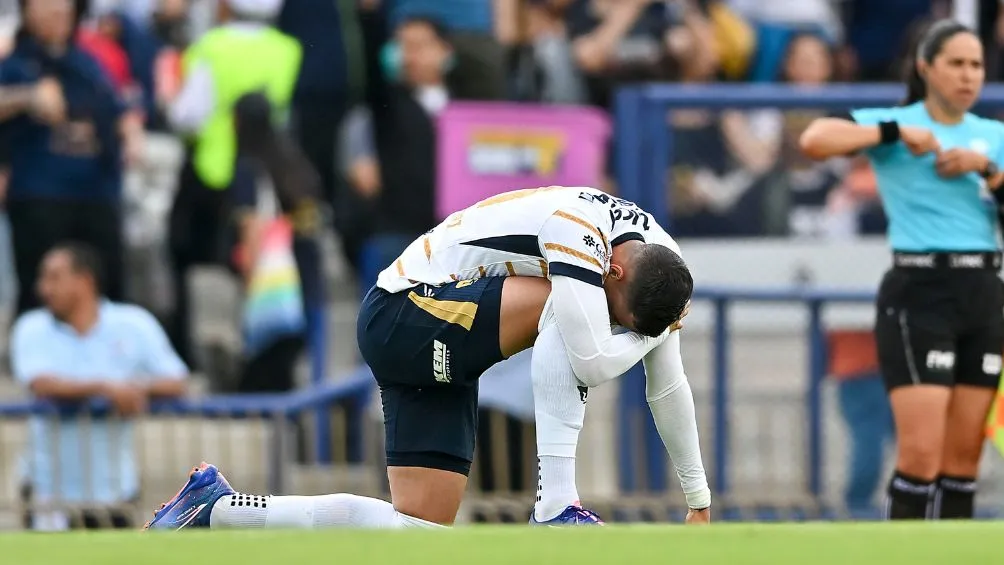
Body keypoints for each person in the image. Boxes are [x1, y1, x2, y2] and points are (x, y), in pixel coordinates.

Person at [143, 185, 711, 529]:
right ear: (614, 271)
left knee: (418, 528)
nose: (620, 329)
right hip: (403, 312)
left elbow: (668, 386)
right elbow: (589, 358)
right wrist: (641, 337)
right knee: (562, 308)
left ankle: (214, 506)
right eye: (620, 316)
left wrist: (698, 500)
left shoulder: (661, 262)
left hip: (445, 329)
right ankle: (557, 507)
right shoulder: (579, 234)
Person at [800, 19, 1004, 520]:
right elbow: (815, 138)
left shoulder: (994, 137)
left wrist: (986, 172)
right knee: (920, 455)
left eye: (976, 64)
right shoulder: (898, 126)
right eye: (955, 63)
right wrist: (893, 130)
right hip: (920, 291)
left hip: (982, 291)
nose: (968, 75)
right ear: (925, 67)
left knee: (963, 461)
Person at [10, 242, 188, 531]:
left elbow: (176, 379)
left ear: (85, 280)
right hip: (47, 492)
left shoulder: (134, 323)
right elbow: (41, 383)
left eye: (54, 277)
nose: (44, 288)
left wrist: (136, 387)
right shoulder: (32, 327)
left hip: (115, 491)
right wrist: (108, 388)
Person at [229, 92, 323, 393]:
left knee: (263, 377)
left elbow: (253, 226)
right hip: (303, 282)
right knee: (286, 373)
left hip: (273, 286)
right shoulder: (295, 165)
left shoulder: (249, 167)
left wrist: (249, 281)